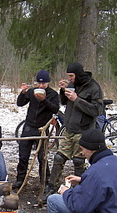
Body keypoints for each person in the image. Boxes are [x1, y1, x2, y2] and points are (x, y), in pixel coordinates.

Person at [44, 62, 103, 201]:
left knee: (78, 161)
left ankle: (79, 191)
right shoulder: (73, 85)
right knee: (59, 157)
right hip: (69, 129)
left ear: (78, 74)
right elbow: (65, 102)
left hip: (83, 131)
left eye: (71, 76)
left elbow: (97, 110)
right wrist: (63, 91)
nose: (69, 78)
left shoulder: (93, 87)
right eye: (68, 76)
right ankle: (51, 188)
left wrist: (77, 99)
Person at [12, 70, 60, 189]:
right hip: (28, 127)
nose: (41, 86)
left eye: (43, 84)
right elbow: (20, 103)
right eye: (39, 83)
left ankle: (44, 180)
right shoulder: (32, 91)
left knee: (42, 158)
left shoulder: (53, 94)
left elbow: (55, 109)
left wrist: (44, 99)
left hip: (42, 129)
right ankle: (20, 179)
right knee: (23, 156)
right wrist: (23, 93)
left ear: (48, 83)